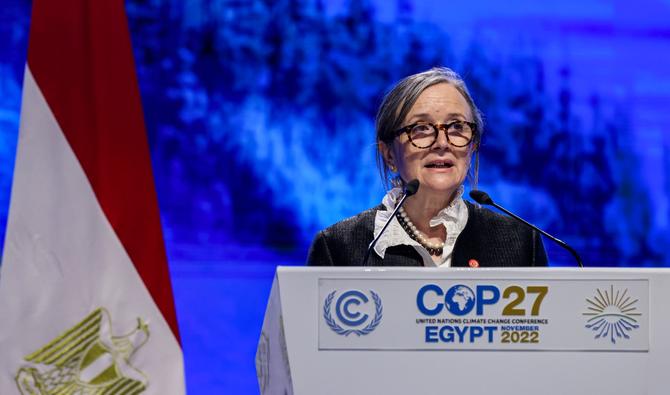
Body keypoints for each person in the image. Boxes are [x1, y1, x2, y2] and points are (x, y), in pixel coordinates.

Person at [307, 67, 548, 267]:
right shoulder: (339, 248)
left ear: (472, 146)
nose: (442, 143)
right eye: (420, 129)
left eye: (456, 127)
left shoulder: (521, 243)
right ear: (389, 153)